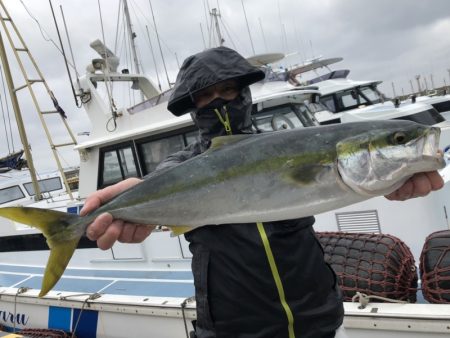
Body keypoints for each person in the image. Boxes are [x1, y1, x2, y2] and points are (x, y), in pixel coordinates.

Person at [81, 47, 444, 338]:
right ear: (193, 109)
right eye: (205, 96)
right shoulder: (181, 166)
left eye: (228, 89)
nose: (219, 101)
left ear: (245, 93)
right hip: (233, 328)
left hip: (318, 319)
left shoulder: (285, 145)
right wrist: (135, 203)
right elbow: (160, 186)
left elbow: (347, 183)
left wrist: (396, 179)